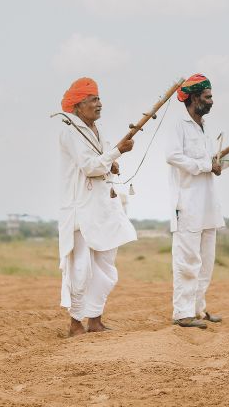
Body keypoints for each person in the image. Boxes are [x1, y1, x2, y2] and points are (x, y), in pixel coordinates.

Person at [165, 73, 229, 329]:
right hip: (187, 205)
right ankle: (182, 313)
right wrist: (206, 165)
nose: (212, 101)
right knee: (187, 262)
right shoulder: (178, 125)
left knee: (206, 262)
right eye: (208, 97)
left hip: (208, 206)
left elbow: (217, 165)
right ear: (193, 98)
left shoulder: (206, 129)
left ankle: (198, 310)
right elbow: (173, 157)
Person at [57, 77, 138, 337]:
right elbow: (90, 166)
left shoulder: (96, 130)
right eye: (93, 100)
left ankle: (94, 319)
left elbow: (100, 161)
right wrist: (117, 153)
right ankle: (75, 324)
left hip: (103, 207)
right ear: (78, 106)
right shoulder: (69, 132)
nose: (99, 104)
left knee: (106, 265)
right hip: (81, 208)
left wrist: (112, 161)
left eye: (99, 99)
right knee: (81, 267)